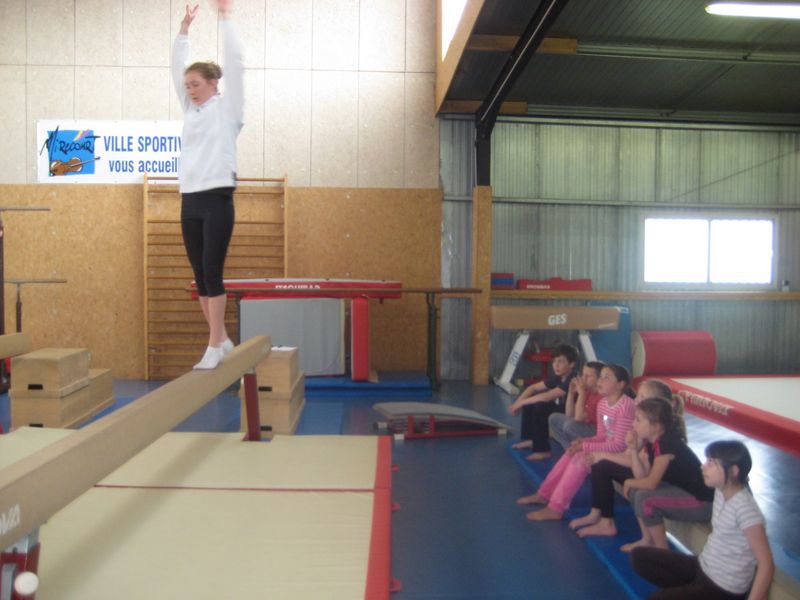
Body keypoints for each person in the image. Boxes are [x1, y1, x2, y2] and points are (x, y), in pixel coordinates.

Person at [171, 1, 243, 369]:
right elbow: (175, 68)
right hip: (190, 199)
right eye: (187, 86)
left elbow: (235, 64)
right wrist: (183, 30)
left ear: (214, 84)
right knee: (199, 275)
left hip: (217, 199)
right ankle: (221, 339)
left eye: (196, 84)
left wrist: (226, 19)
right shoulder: (191, 110)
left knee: (212, 271)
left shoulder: (229, 109)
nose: (190, 90)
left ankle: (215, 343)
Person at [631, 441, 774, 600]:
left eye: (711, 463)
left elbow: (766, 564)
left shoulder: (746, 510)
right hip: (703, 567)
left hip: (722, 588)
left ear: (733, 471)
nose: (703, 466)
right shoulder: (721, 491)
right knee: (639, 557)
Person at [570, 398, 713, 550]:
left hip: (702, 501)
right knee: (636, 491)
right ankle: (647, 539)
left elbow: (651, 483)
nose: (633, 424)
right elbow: (641, 476)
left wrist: (628, 482)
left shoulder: (667, 443)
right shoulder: (651, 441)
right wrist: (633, 450)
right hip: (681, 491)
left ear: (655, 426)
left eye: (638, 420)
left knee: (645, 498)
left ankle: (662, 550)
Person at [517, 364, 635, 521]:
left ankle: (556, 508)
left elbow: (620, 445)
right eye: (601, 376)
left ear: (620, 384)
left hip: (623, 455)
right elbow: (602, 435)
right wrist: (584, 441)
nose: (601, 381)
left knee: (580, 459)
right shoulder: (603, 404)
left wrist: (585, 446)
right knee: (571, 451)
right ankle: (543, 494)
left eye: (607, 378)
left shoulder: (625, 406)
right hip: (609, 449)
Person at [509, 344, 579, 460]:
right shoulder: (559, 376)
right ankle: (532, 440)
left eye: (560, 361)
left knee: (540, 406)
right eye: (554, 361)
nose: (556, 365)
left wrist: (521, 403)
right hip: (564, 408)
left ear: (571, 364)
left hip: (574, 414)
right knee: (531, 402)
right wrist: (517, 403)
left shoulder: (573, 377)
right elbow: (532, 388)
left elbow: (547, 397)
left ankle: (543, 450)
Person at [548, 361, 605, 450]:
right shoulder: (588, 391)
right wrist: (571, 393)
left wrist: (581, 393)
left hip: (598, 432)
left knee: (570, 425)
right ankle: (570, 450)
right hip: (586, 425)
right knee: (554, 418)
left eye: (588, 376)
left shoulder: (601, 396)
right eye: (583, 375)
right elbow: (569, 414)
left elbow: (578, 417)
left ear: (599, 379)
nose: (583, 378)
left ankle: (581, 450)